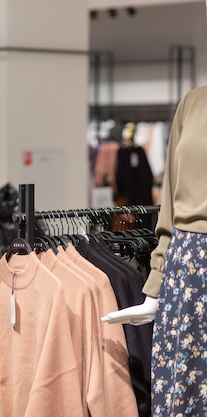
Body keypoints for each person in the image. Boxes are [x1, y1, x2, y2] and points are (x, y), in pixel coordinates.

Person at [101, 85, 207, 415]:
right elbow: (171, 200)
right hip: (188, 266)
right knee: (183, 396)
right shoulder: (194, 102)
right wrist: (158, 283)